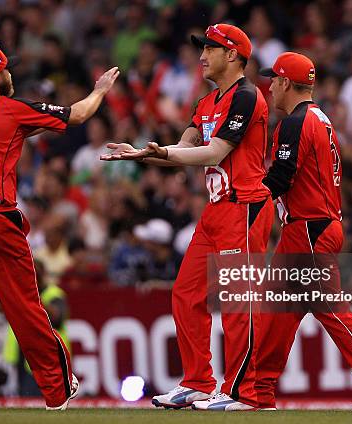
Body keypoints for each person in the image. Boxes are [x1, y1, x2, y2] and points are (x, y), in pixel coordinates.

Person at [0, 44, 118, 411]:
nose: (11, 75)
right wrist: (99, 90)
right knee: (24, 307)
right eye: (7, 70)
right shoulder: (12, 107)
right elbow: (78, 115)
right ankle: (56, 389)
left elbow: (4, 132)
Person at [103, 24, 274, 411]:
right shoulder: (207, 103)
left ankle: (244, 392)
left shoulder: (247, 96)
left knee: (238, 301)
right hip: (217, 210)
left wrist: (160, 154)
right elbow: (185, 147)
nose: (201, 56)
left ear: (233, 55)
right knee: (185, 293)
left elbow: (214, 153)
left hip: (244, 205)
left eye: (210, 48)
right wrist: (141, 154)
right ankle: (198, 382)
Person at [255, 52, 352, 412]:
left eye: (273, 81)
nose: (270, 88)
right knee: (277, 310)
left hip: (308, 228)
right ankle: (258, 394)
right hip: (315, 226)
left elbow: (281, 178)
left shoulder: (294, 123)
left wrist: (243, 196)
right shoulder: (320, 118)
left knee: (330, 307)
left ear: (284, 83)